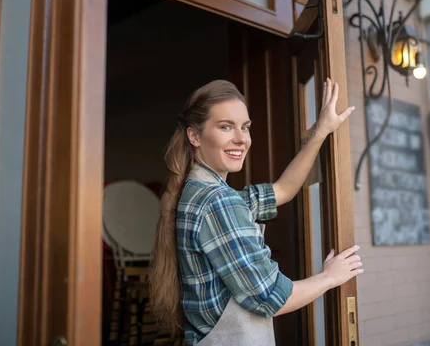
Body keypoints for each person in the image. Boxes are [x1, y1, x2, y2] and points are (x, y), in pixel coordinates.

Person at [149, 79, 362, 346]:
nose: (241, 139)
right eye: (225, 126)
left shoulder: (197, 192)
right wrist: (330, 277)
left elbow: (282, 190)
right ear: (194, 135)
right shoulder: (218, 202)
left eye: (245, 127)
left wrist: (321, 131)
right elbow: (270, 297)